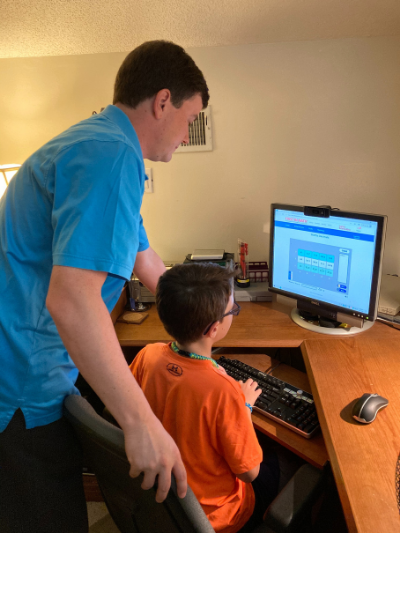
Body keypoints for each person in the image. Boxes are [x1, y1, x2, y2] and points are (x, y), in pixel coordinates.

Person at [0, 40, 209, 532]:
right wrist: (141, 424)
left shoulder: (100, 144)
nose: (186, 134)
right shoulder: (111, 155)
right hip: (23, 386)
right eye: (189, 118)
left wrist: (206, 316)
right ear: (162, 102)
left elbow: (150, 263)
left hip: (32, 368)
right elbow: (72, 301)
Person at [129, 263, 280, 533]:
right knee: (273, 464)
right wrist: (243, 406)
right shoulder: (224, 391)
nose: (234, 313)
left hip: (162, 498)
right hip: (215, 518)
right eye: (232, 310)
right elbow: (248, 473)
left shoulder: (147, 355)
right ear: (213, 330)